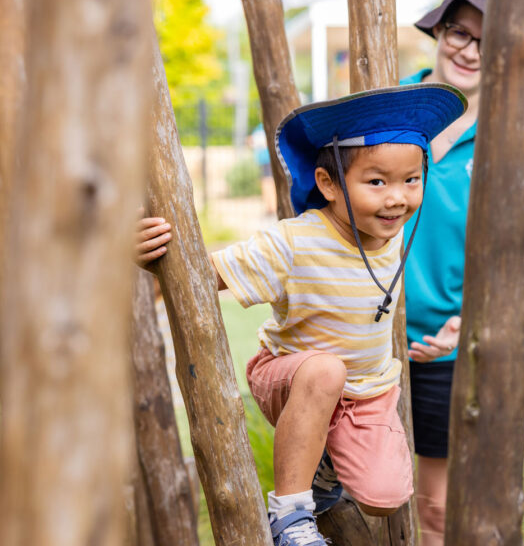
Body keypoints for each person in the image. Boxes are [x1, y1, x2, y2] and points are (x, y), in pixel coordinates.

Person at [136, 84, 466, 546]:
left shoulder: (391, 235)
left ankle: (322, 471)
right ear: (328, 185)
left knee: (387, 495)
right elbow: (202, 275)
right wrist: (150, 256)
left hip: (364, 393)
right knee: (326, 370)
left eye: (411, 180)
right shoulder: (293, 242)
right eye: (377, 182)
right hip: (292, 378)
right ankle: (289, 515)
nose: (397, 198)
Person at [400, 0, 487, 546]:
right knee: (356, 503)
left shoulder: (510, 137)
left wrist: (466, 325)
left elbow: (508, 257)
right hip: (362, 340)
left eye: (489, 39)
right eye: (461, 32)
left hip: (441, 350)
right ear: (440, 30)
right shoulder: (389, 109)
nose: (471, 51)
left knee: (435, 510)